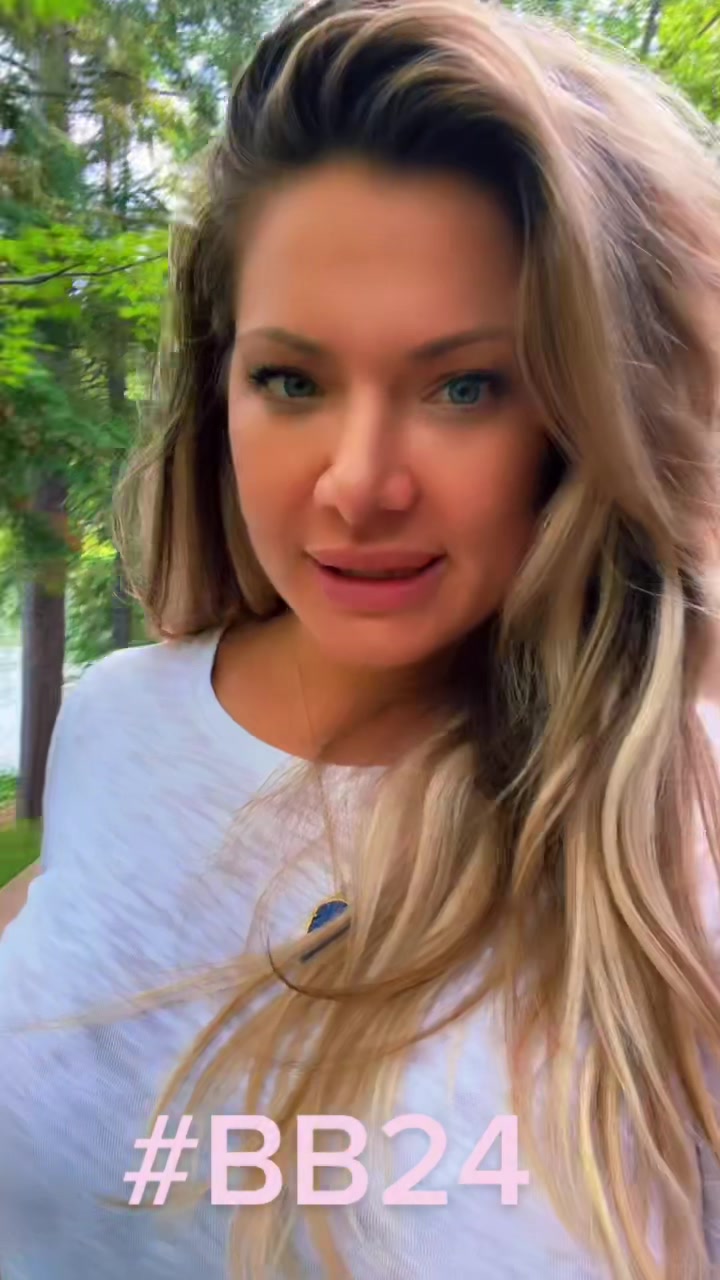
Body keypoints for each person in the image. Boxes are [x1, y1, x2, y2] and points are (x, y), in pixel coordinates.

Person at [1, 0, 719, 1276]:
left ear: (588, 412)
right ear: (221, 385)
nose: (358, 484)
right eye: (293, 380)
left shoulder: (684, 832)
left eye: (464, 385)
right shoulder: (118, 715)